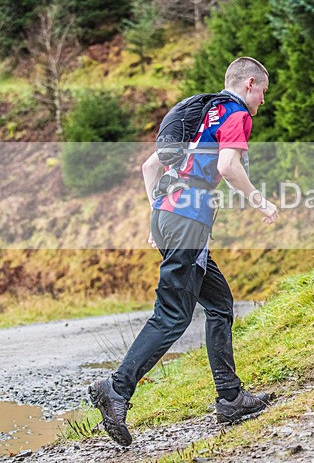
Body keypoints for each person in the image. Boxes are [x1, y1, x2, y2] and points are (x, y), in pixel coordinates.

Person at [89, 57, 280, 446]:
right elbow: (228, 167)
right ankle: (116, 388)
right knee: (173, 315)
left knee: (221, 305)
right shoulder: (235, 114)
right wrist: (260, 201)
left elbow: (148, 167)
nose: (262, 101)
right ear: (249, 83)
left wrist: (157, 213)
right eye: (262, 91)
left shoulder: (200, 114)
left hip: (169, 215)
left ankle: (230, 398)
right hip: (188, 218)